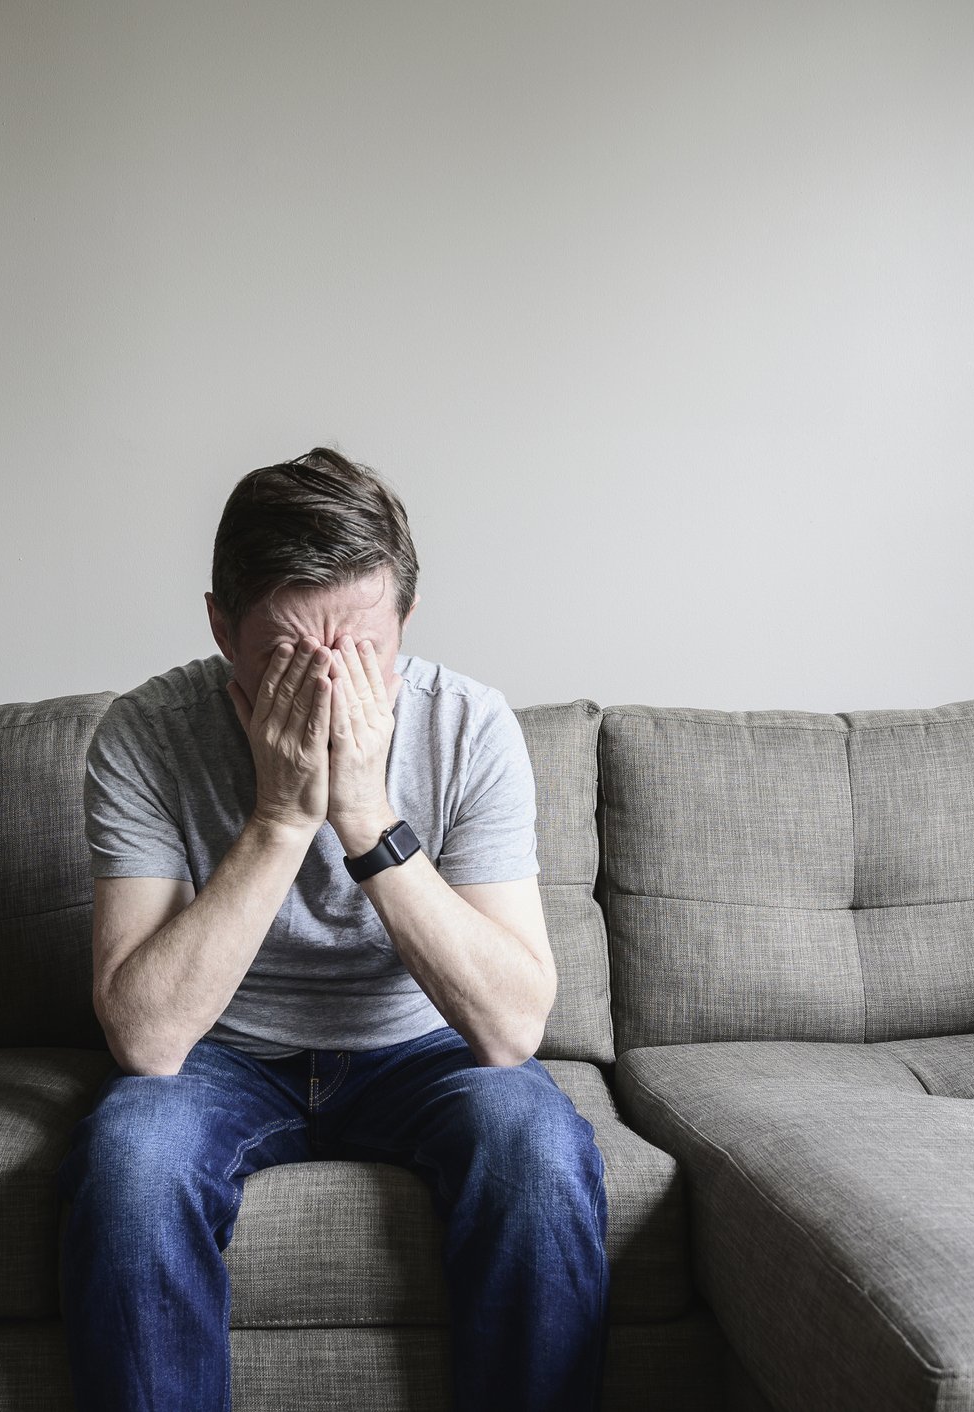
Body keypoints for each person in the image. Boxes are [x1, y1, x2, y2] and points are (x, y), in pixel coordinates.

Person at [54, 447, 609, 1412]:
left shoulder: (471, 727)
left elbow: (512, 1030)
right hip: (222, 1056)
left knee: (540, 1151)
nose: (327, 687)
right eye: (285, 657)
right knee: (129, 1166)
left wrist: (365, 816)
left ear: (406, 621)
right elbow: (144, 1038)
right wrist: (278, 821)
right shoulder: (146, 734)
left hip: (420, 1047)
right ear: (221, 627)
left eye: (362, 653)